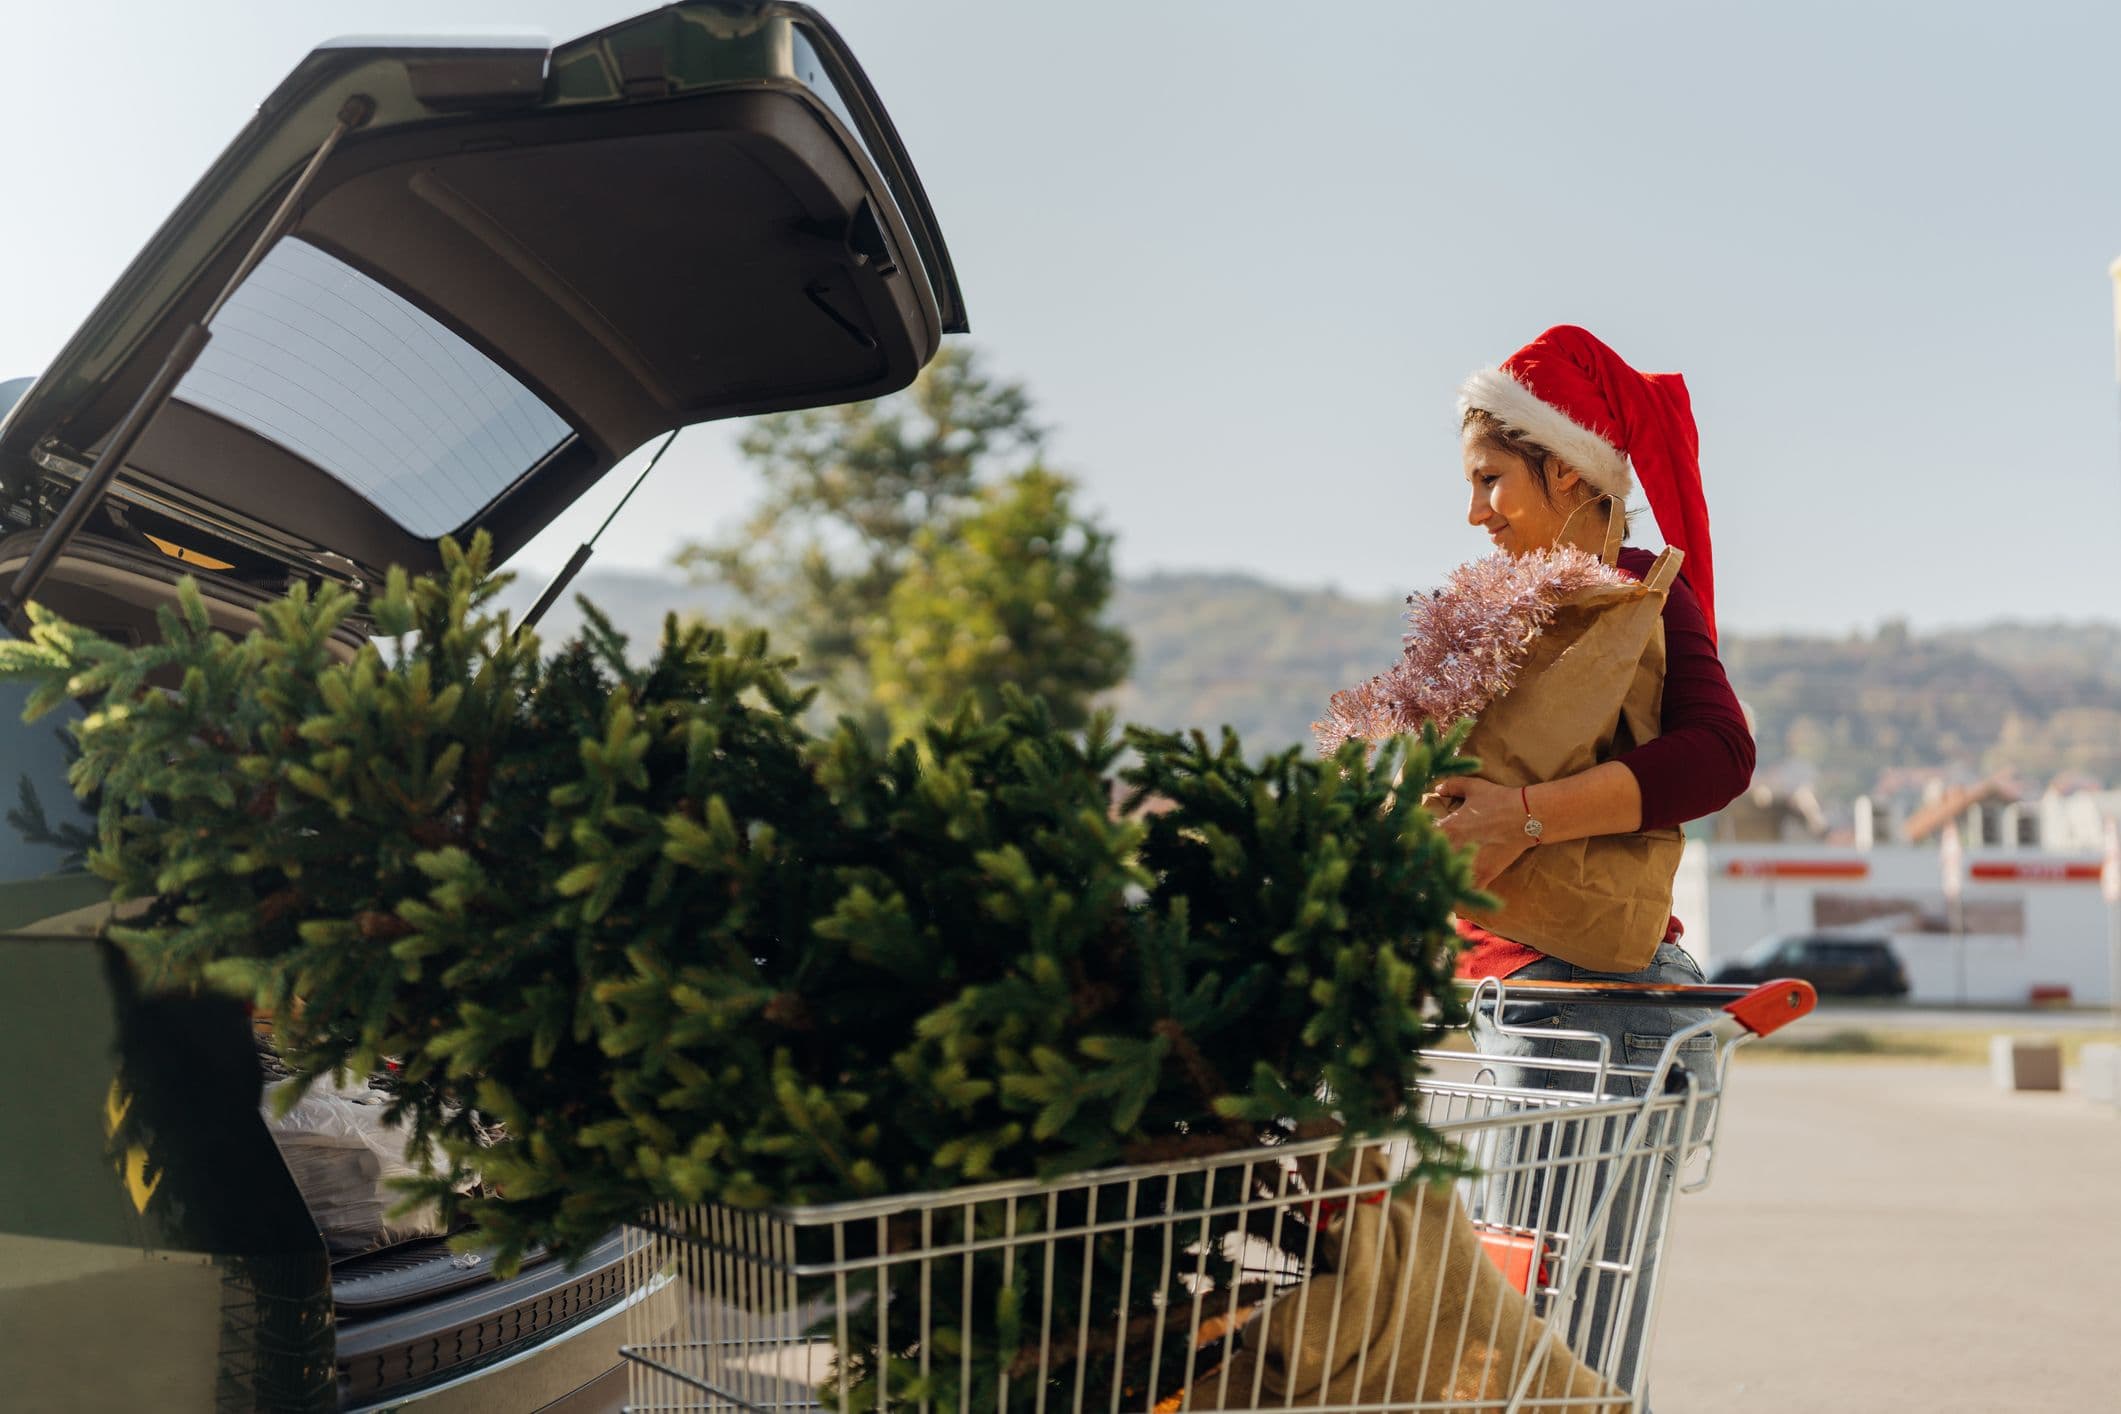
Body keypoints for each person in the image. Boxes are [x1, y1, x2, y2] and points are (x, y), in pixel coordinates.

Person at [1431, 325, 1754, 1401]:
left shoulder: (1638, 602)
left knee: (1549, 1348)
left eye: (1492, 480)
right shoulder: (1505, 607)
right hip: (1531, 1000)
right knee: (1549, 1337)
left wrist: (1523, 814)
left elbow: (1719, 757)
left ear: (1568, 471)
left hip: (1583, 1006)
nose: (1476, 511)